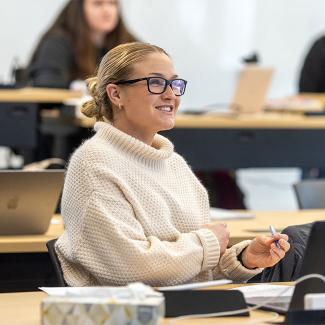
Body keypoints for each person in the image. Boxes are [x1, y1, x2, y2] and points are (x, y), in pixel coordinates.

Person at [55, 42, 290, 287]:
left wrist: (243, 258)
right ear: (116, 95)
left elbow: (194, 268)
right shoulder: (94, 163)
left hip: (183, 306)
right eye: (156, 83)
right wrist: (207, 243)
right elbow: (132, 268)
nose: (171, 94)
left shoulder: (174, 164)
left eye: (174, 84)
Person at [27, 0, 136, 88]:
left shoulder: (126, 41)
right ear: (79, 9)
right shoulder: (57, 42)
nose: (107, 10)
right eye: (97, 4)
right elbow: (47, 84)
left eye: (112, 3)